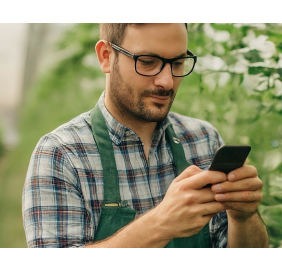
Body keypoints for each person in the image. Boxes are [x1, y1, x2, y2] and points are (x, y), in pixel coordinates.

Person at [22, 23, 269, 248]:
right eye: (148, 61)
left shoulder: (205, 140)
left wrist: (244, 216)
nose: (167, 81)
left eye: (177, 63)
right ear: (106, 56)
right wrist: (160, 224)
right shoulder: (62, 154)